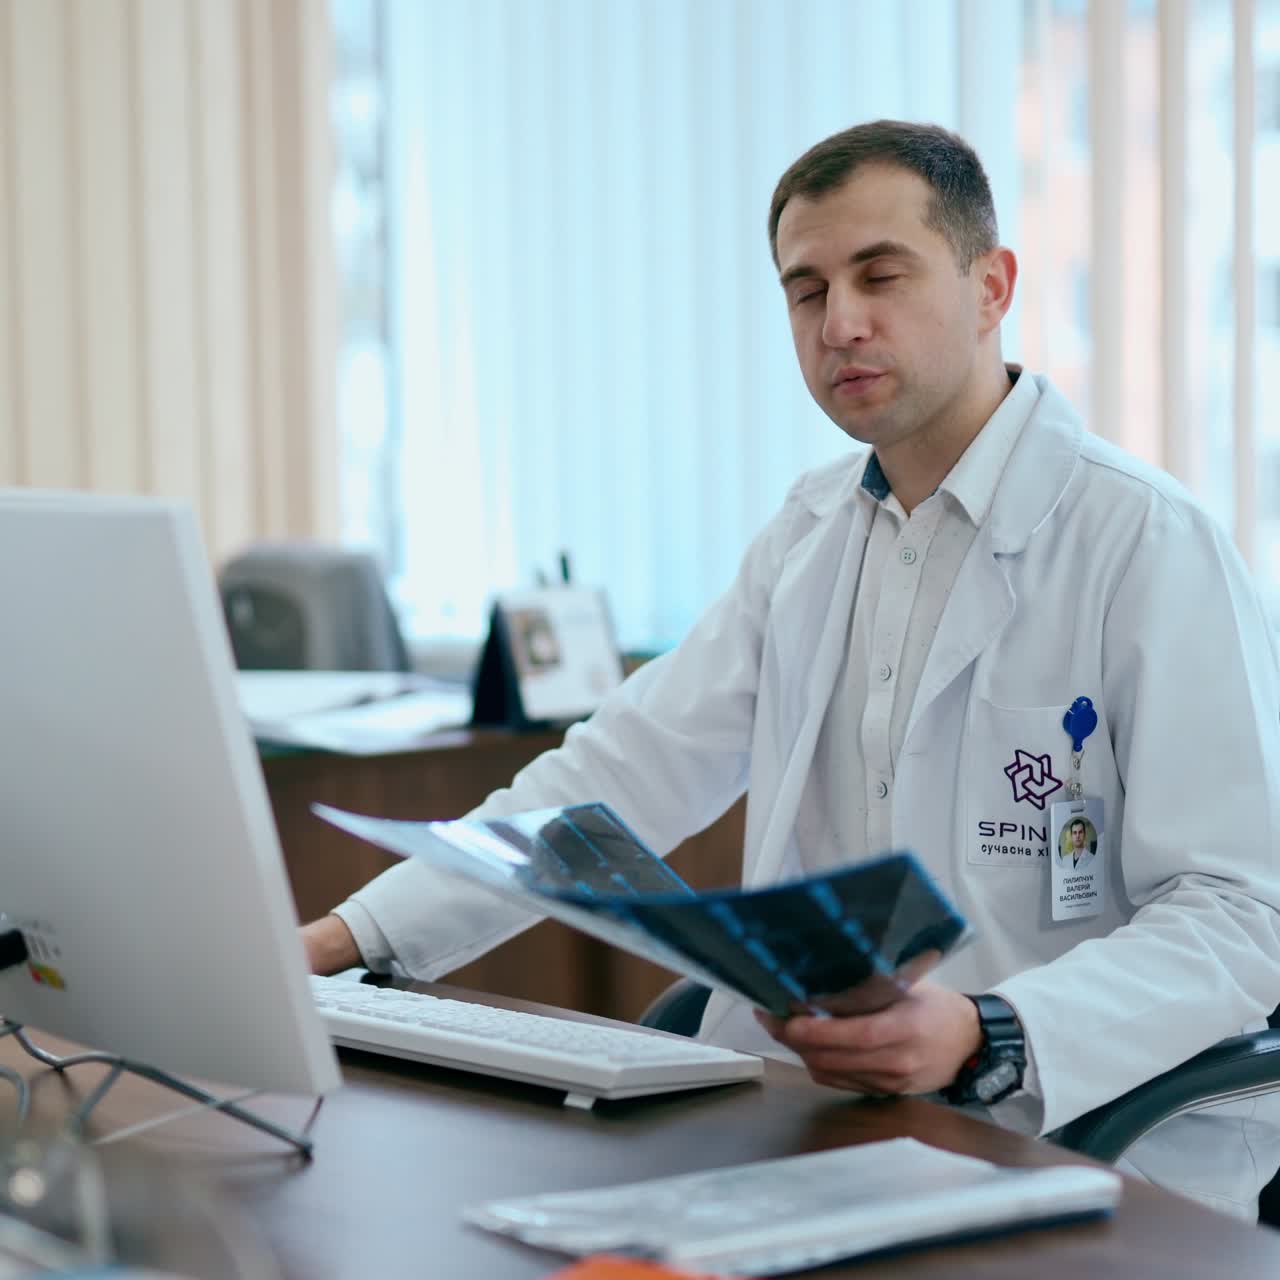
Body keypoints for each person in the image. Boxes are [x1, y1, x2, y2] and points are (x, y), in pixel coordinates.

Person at [302, 120, 1280, 1218]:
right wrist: (347, 941)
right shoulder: (807, 536)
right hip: (821, 1125)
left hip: (1079, 1144)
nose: (840, 323)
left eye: (880, 275)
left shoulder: (1144, 542)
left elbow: (1238, 912)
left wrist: (988, 1027)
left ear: (990, 286)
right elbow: (608, 781)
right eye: (804, 290)